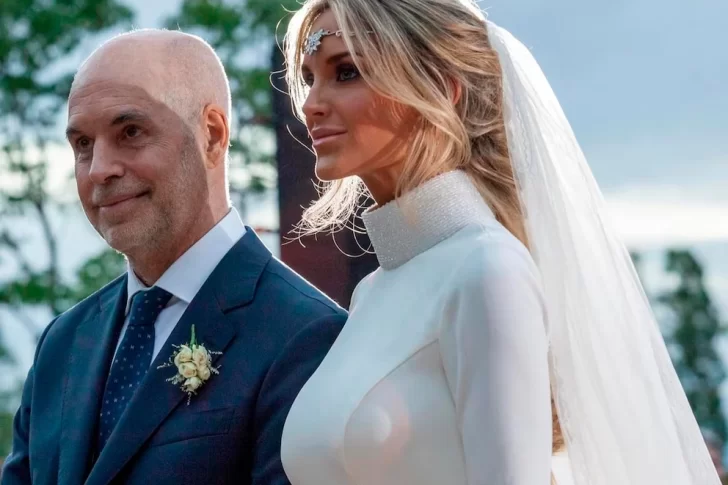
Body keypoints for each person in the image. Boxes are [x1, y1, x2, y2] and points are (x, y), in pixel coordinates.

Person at [279, 1, 721, 484]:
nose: (311, 104)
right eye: (309, 78)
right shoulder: (371, 294)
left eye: (345, 72)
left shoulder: (487, 271)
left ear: (440, 89)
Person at [1, 29, 346, 485]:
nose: (100, 169)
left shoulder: (306, 336)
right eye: (83, 144)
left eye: (130, 132)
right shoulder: (63, 343)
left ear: (212, 135)